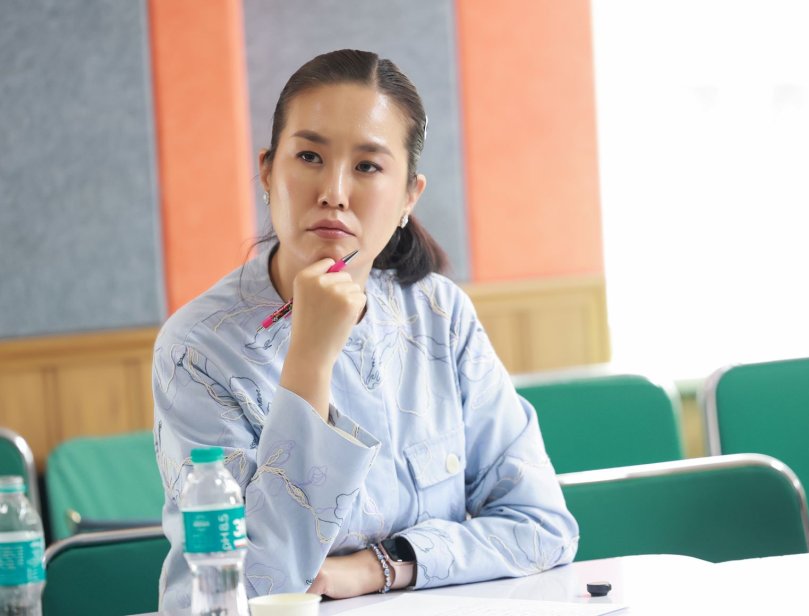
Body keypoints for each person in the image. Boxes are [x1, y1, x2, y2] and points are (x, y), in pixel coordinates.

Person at [153, 49, 578, 609]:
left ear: (408, 197)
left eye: (368, 166)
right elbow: (247, 589)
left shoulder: (440, 315)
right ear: (268, 171)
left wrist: (378, 567)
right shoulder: (198, 349)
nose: (334, 191)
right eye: (309, 156)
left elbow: (541, 528)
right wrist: (308, 361)